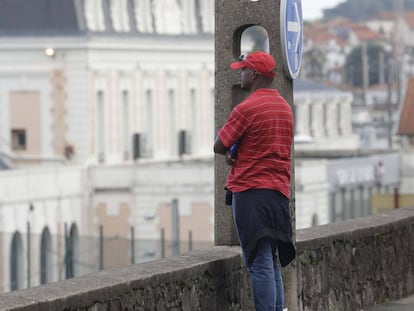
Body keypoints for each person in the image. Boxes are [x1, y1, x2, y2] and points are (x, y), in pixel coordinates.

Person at [214, 51, 295, 311]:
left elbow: (219, 145)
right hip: (279, 193)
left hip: (251, 192)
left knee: (258, 260)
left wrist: (231, 152)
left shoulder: (247, 108)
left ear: (255, 74)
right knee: (270, 258)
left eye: (244, 69)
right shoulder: (284, 107)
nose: (240, 74)